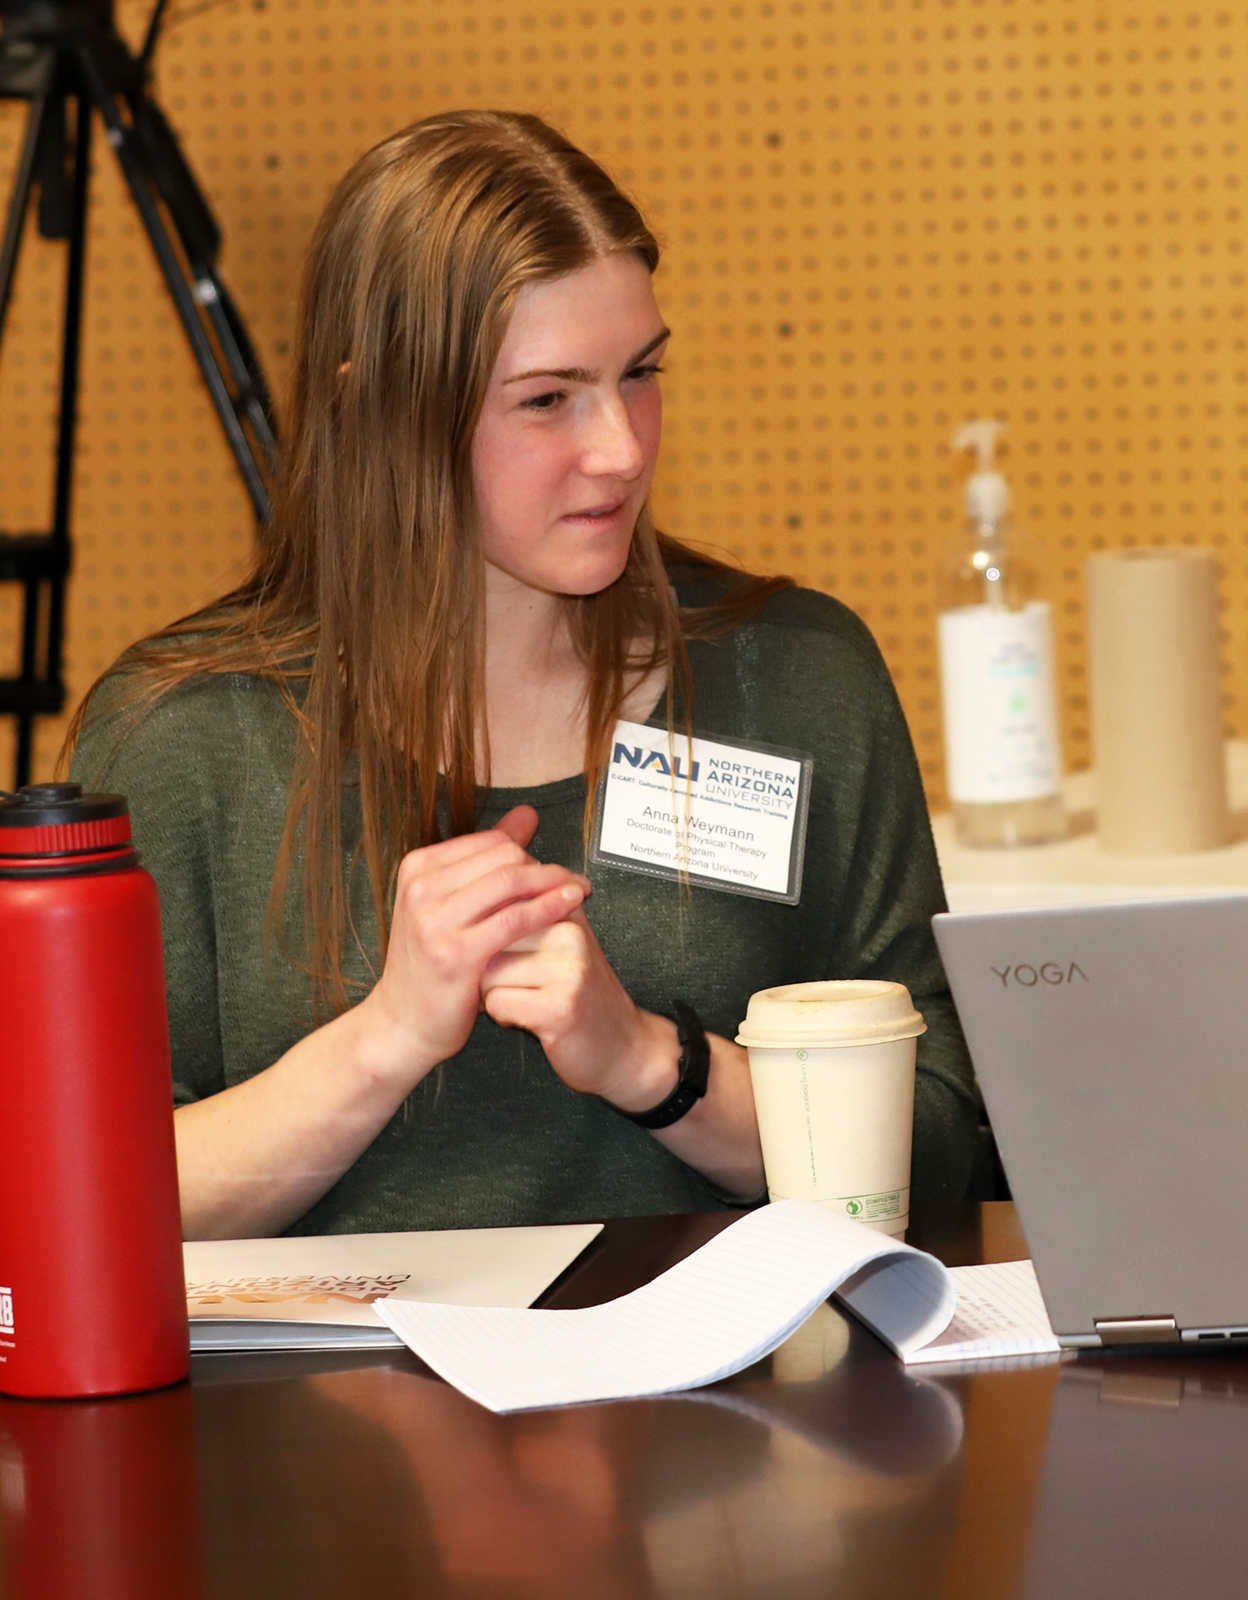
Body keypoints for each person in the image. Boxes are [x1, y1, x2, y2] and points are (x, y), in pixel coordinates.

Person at [67, 111, 979, 1238]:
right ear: (374, 406)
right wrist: (387, 1036)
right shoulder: (184, 733)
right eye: (550, 398)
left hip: (731, 1400)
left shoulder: (797, 676)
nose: (623, 449)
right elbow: (77, 1205)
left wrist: (654, 1060)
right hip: (320, 1413)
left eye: (640, 374)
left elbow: (943, 1145)